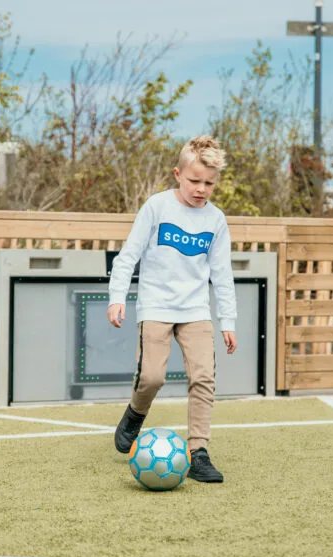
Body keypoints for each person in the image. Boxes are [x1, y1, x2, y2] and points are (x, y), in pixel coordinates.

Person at [107, 135, 237, 483]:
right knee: (151, 377)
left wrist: (228, 320)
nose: (201, 189)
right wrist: (117, 297)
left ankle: (198, 452)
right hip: (156, 306)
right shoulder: (157, 207)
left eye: (209, 183)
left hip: (195, 310)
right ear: (178, 174)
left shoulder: (216, 221)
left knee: (203, 378)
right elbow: (128, 257)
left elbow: (222, 274)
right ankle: (135, 413)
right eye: (194, 181)